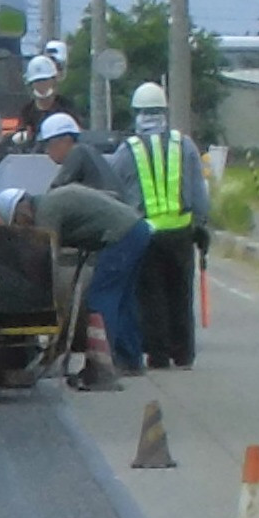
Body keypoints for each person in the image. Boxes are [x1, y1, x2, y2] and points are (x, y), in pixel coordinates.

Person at [32, 109, 151, 374]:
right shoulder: (89, 156)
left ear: (63, 140)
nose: (49, 154)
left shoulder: (78, 154)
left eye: (49, 146)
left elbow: (54, 200)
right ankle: (130, 359)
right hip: (134, 228)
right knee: (124, 299)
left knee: (101, 297)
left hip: (119, 233)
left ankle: (102, 363)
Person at [123, 81, 203, 372]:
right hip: (181, 232)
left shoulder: (128, 149)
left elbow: (120, 192)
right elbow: (198, 191)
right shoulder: (185, 145)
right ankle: (183, 354)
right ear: (164, 111)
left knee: (151, 296)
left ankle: (157, 355)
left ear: (138, 113)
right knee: (180, 294)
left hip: (146, 234)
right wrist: (202, 225)